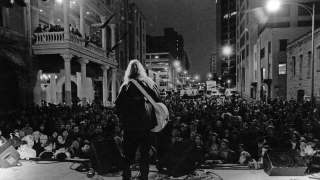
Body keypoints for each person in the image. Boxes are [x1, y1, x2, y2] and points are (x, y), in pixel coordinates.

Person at [115, 60, 160, 180]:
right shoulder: (147, 85)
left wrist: (124, 118)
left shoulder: (126, 87)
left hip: (130, 127)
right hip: (144, 127)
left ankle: (126, 177)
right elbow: (156, 100)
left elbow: (117, 106)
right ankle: (144, 177)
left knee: (127, 155)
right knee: (144, 155)